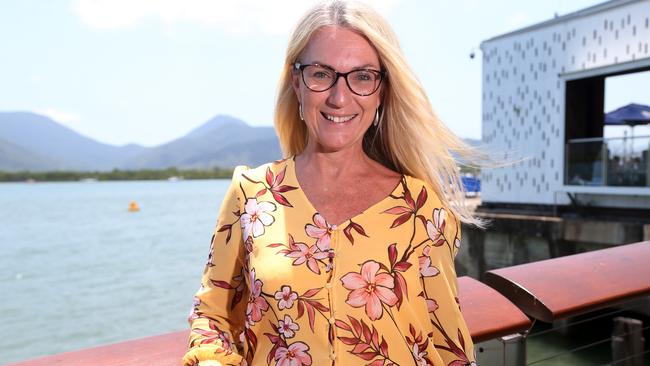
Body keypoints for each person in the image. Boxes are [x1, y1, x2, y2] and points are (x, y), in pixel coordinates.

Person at [183, 1, 480, 365]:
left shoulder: (420, 209)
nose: (340, 98)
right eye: (322, 74)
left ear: (381, 90)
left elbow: (448, 344)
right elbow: (212, 316)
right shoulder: (252, 194)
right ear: (297, 81)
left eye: (362, 76)